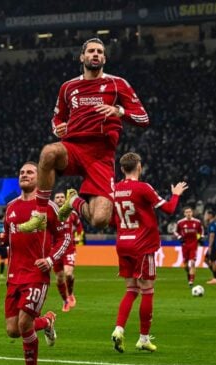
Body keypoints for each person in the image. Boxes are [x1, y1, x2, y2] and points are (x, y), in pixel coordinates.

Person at [18, 37, 149, 233]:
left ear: (104, 59)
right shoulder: (68, 87)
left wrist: (119, 111)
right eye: (91, 51)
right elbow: (57, 119)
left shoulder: (117, 84)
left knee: (100, 220)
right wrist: (58, 128)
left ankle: (73, 200)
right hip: (74, 148)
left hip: (101, 156)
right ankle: (40, 214)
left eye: (99, 52)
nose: (95, 54)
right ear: (82, 57)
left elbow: (143, 118)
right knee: (48, 152)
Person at [0, 161, 71, 365]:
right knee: (12, 330)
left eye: (29, 172)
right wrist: (2, 241)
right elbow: (9, 237)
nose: (24, 175)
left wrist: (50, 259)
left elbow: (64, 237)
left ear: (39, 178)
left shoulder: (47, 206)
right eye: (21, 172)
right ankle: (47, 321)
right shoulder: (11, 207)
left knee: (24, 324)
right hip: (13, 276)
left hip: (36, 275)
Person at [110, 152, 188, 353]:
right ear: (139, 167)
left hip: (122, 243)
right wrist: (177, 193)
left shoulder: (115, 189)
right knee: (147, 289)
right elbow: (169, 209)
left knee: (131, 290)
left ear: (122, 169)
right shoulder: (143, 187)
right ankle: (143, 338)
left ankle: (119, 329)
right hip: (142, 245)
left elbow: (111, 219)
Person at [52, 191, 81, 312]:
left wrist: (78, 236)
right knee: (59, 278)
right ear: (54, 200)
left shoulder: (72, 213)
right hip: (55, 250)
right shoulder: (50, 214)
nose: (59, 199)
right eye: (57, 197)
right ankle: (65, 301)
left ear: (65, 199)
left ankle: (71, 293)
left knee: (68, 274)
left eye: (62, 197)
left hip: (69, 248)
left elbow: (79, 226)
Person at [174, 206, 203, 287]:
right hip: (185, 245)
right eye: (186, 212)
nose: (188, 214)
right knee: (186, 265)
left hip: (194, 244)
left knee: (193, 262)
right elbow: (176, 232)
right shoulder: (180, 223)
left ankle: (191, 281)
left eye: (189, 212)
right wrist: (179, 237)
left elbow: (201, 232)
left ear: (192, 213)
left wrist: (200, 238)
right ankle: (189, 274)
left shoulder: (197, 222)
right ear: (184, 214)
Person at [204, 210, 216, 284]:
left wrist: (210, 246)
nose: (206, 216)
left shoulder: (212, 225)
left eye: (207, 215)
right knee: (206, 259)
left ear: (210, 216)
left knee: (213, 261)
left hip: (213, 245)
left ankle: (215, 278)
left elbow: (212, 235)